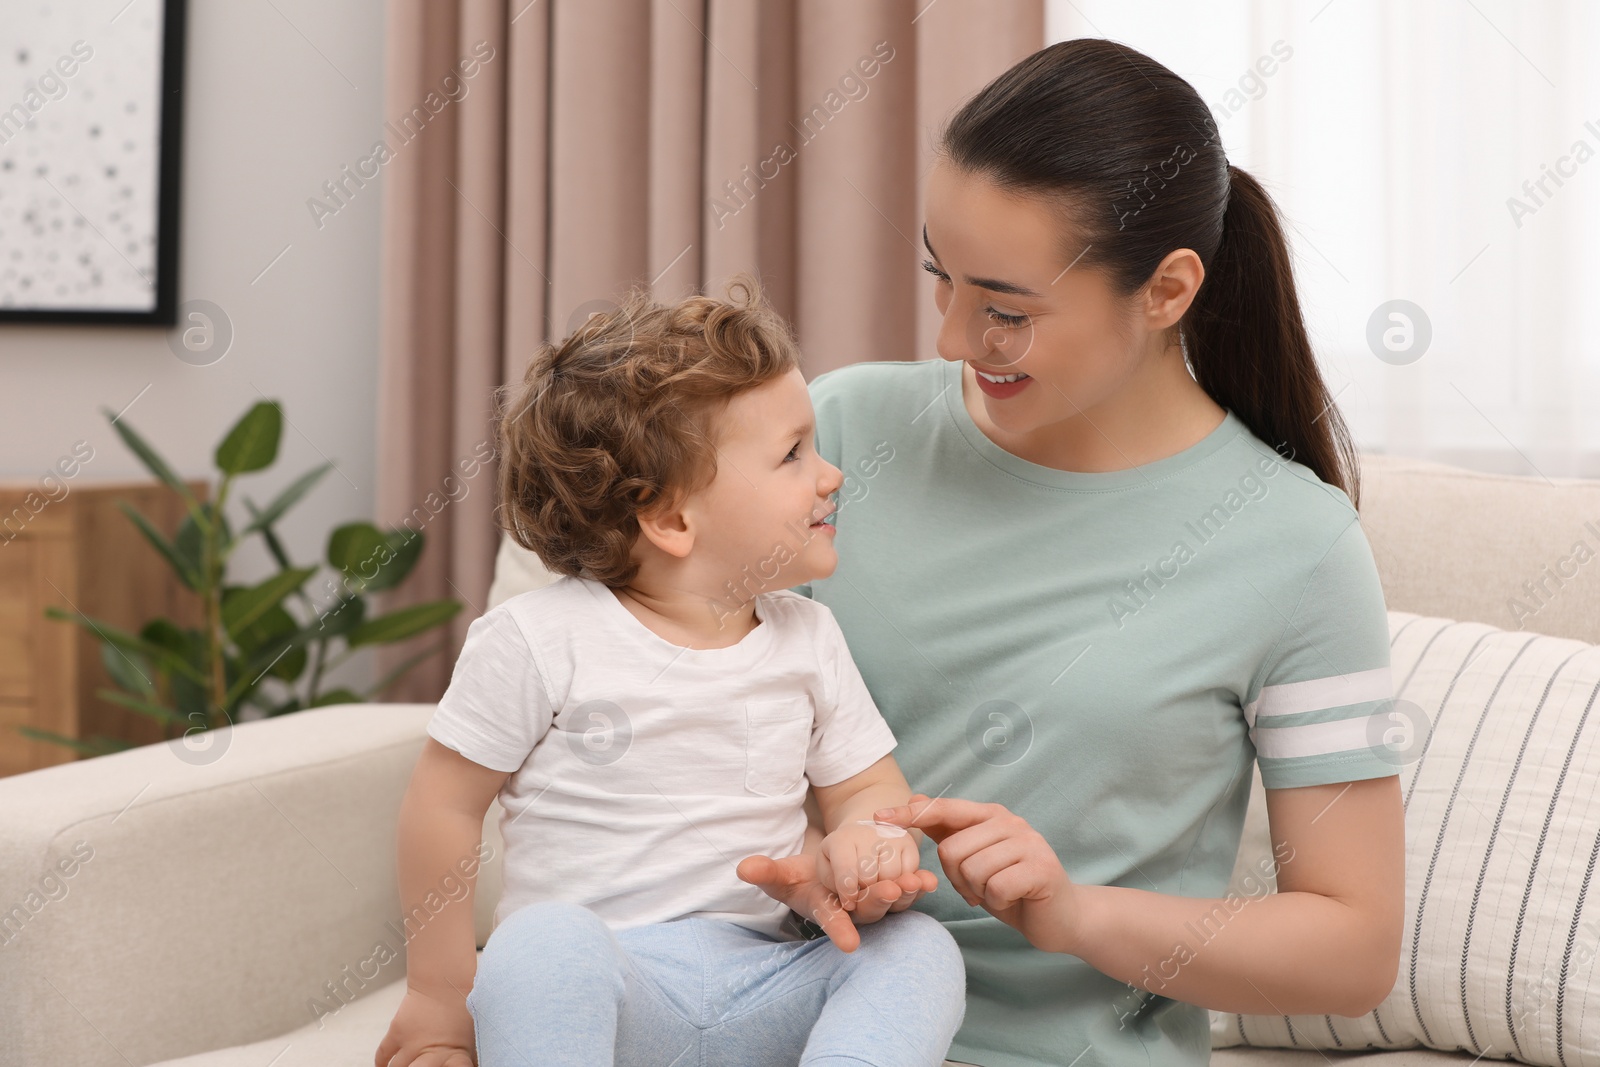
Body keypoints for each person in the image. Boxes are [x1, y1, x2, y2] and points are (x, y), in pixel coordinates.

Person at [736, 37, 1405, 1067]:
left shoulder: (1296, 548)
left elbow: (1351, 947)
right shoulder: (843, 430)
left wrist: (1075, 911)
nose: (955, 338)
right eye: (940, 277)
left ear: (1168, 289)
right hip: (764, 1011)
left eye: (1006, 309)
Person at [374, 277, 968, 1067]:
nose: (830, 475)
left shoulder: (810, 637)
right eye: (793, 454)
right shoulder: (537, 637)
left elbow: (867, 788)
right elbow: (442, 807)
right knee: (541, 943)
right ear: (671, 518)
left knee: (921, 950)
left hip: (766, 983)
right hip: (613, 999)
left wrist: (865, 842)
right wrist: (440, 1000)